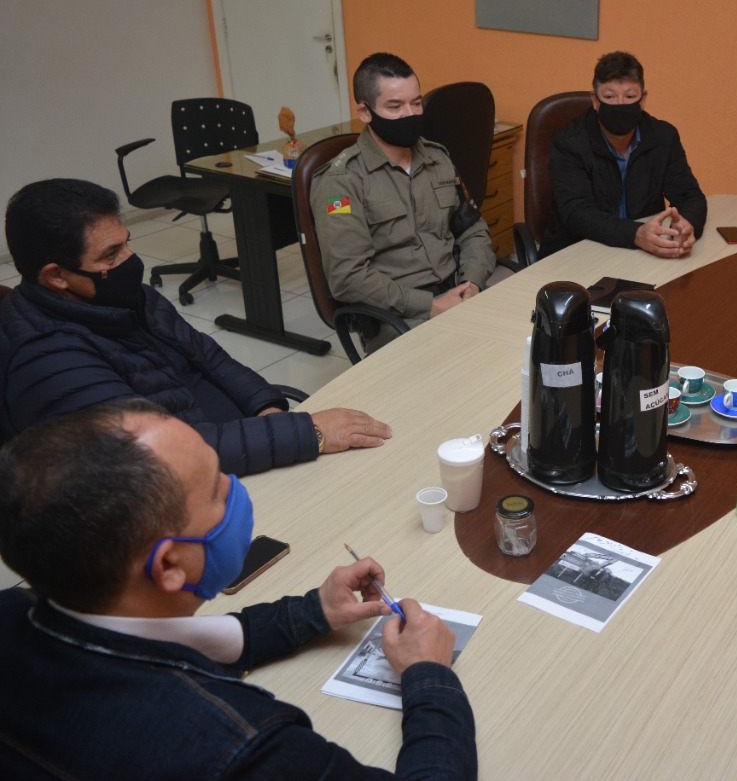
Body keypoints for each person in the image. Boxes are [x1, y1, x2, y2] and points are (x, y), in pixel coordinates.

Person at [0, 400, 476, 778]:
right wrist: (428, 676)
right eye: (216, 490)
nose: (235, 487)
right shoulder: (242, 749)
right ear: (169, 565)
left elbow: (180, 642)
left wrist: (313, 613)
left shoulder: (19, 606)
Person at [0, 178, 391, 476]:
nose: (131, 260)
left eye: (127, 242)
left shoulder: (126, 297)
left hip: (235, 447)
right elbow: (155, 455)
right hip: (177, 485)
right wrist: (307, 434)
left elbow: (208, 355)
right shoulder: (47, 359)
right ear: (56, 276)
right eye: (111, 254)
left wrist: (266, 407)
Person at [310, 52, 496, 353]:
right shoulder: (341, 182)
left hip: (458, 292)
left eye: (416, 103)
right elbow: (348, 277)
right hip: (398, 315)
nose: (410, 115)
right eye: (395, 107)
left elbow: (472, 230)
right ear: (365, 112)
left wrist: (471, 284)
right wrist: (430, 305)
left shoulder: (437, 158)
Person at [542, 51, 707, 258]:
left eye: (629, 96)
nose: (620, 104)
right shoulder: (569, 142)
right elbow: (576, 213)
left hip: (640, 255)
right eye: (609, 97)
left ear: (643, 99)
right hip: (578, 253)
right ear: (595, 100)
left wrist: (685, 226)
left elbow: (689, 196)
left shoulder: (664, 137)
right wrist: (635, 234)